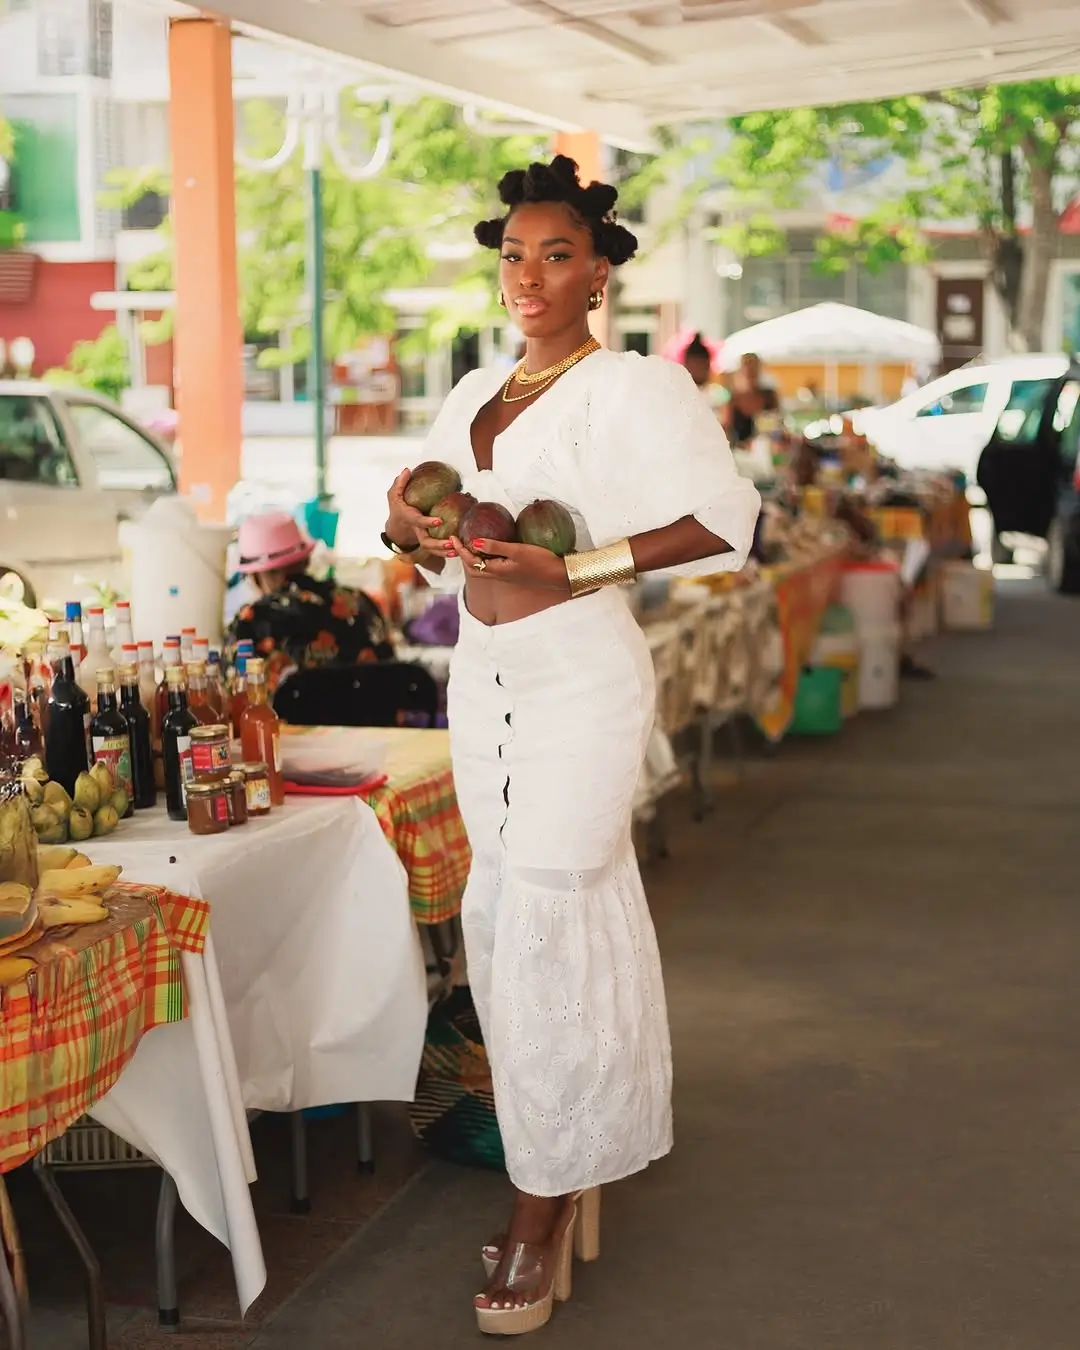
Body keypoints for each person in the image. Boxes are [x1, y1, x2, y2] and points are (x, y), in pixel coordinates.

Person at [382, 154, 760, 1335]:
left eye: (557, 255)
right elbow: (425, 532)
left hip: (583, 683)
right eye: (514, 256)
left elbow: (724, 522)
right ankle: (561, 1149)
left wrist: (577, 565)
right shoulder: (471, 396)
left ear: (598, 273)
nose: (530, 276)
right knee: (500, 924)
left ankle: (540, 1206)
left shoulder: (636, 389)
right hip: (484, 681)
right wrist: (408, 531)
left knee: (550, 913)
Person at [224, 510, 393, 694]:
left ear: (255, 576)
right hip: (372, 712)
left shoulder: (251, 620)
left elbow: (235, 694)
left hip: (289, 714)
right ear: (306, 561)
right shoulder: (359, 602)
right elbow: (394, 673)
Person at [722, 351, 780, 445]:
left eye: (753, 369)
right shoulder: (733, 401)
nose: (750, 372)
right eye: (747, 368)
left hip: (767, 448)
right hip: (740, 451)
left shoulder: (769, 397)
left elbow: (778, 426)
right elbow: (726, 431)